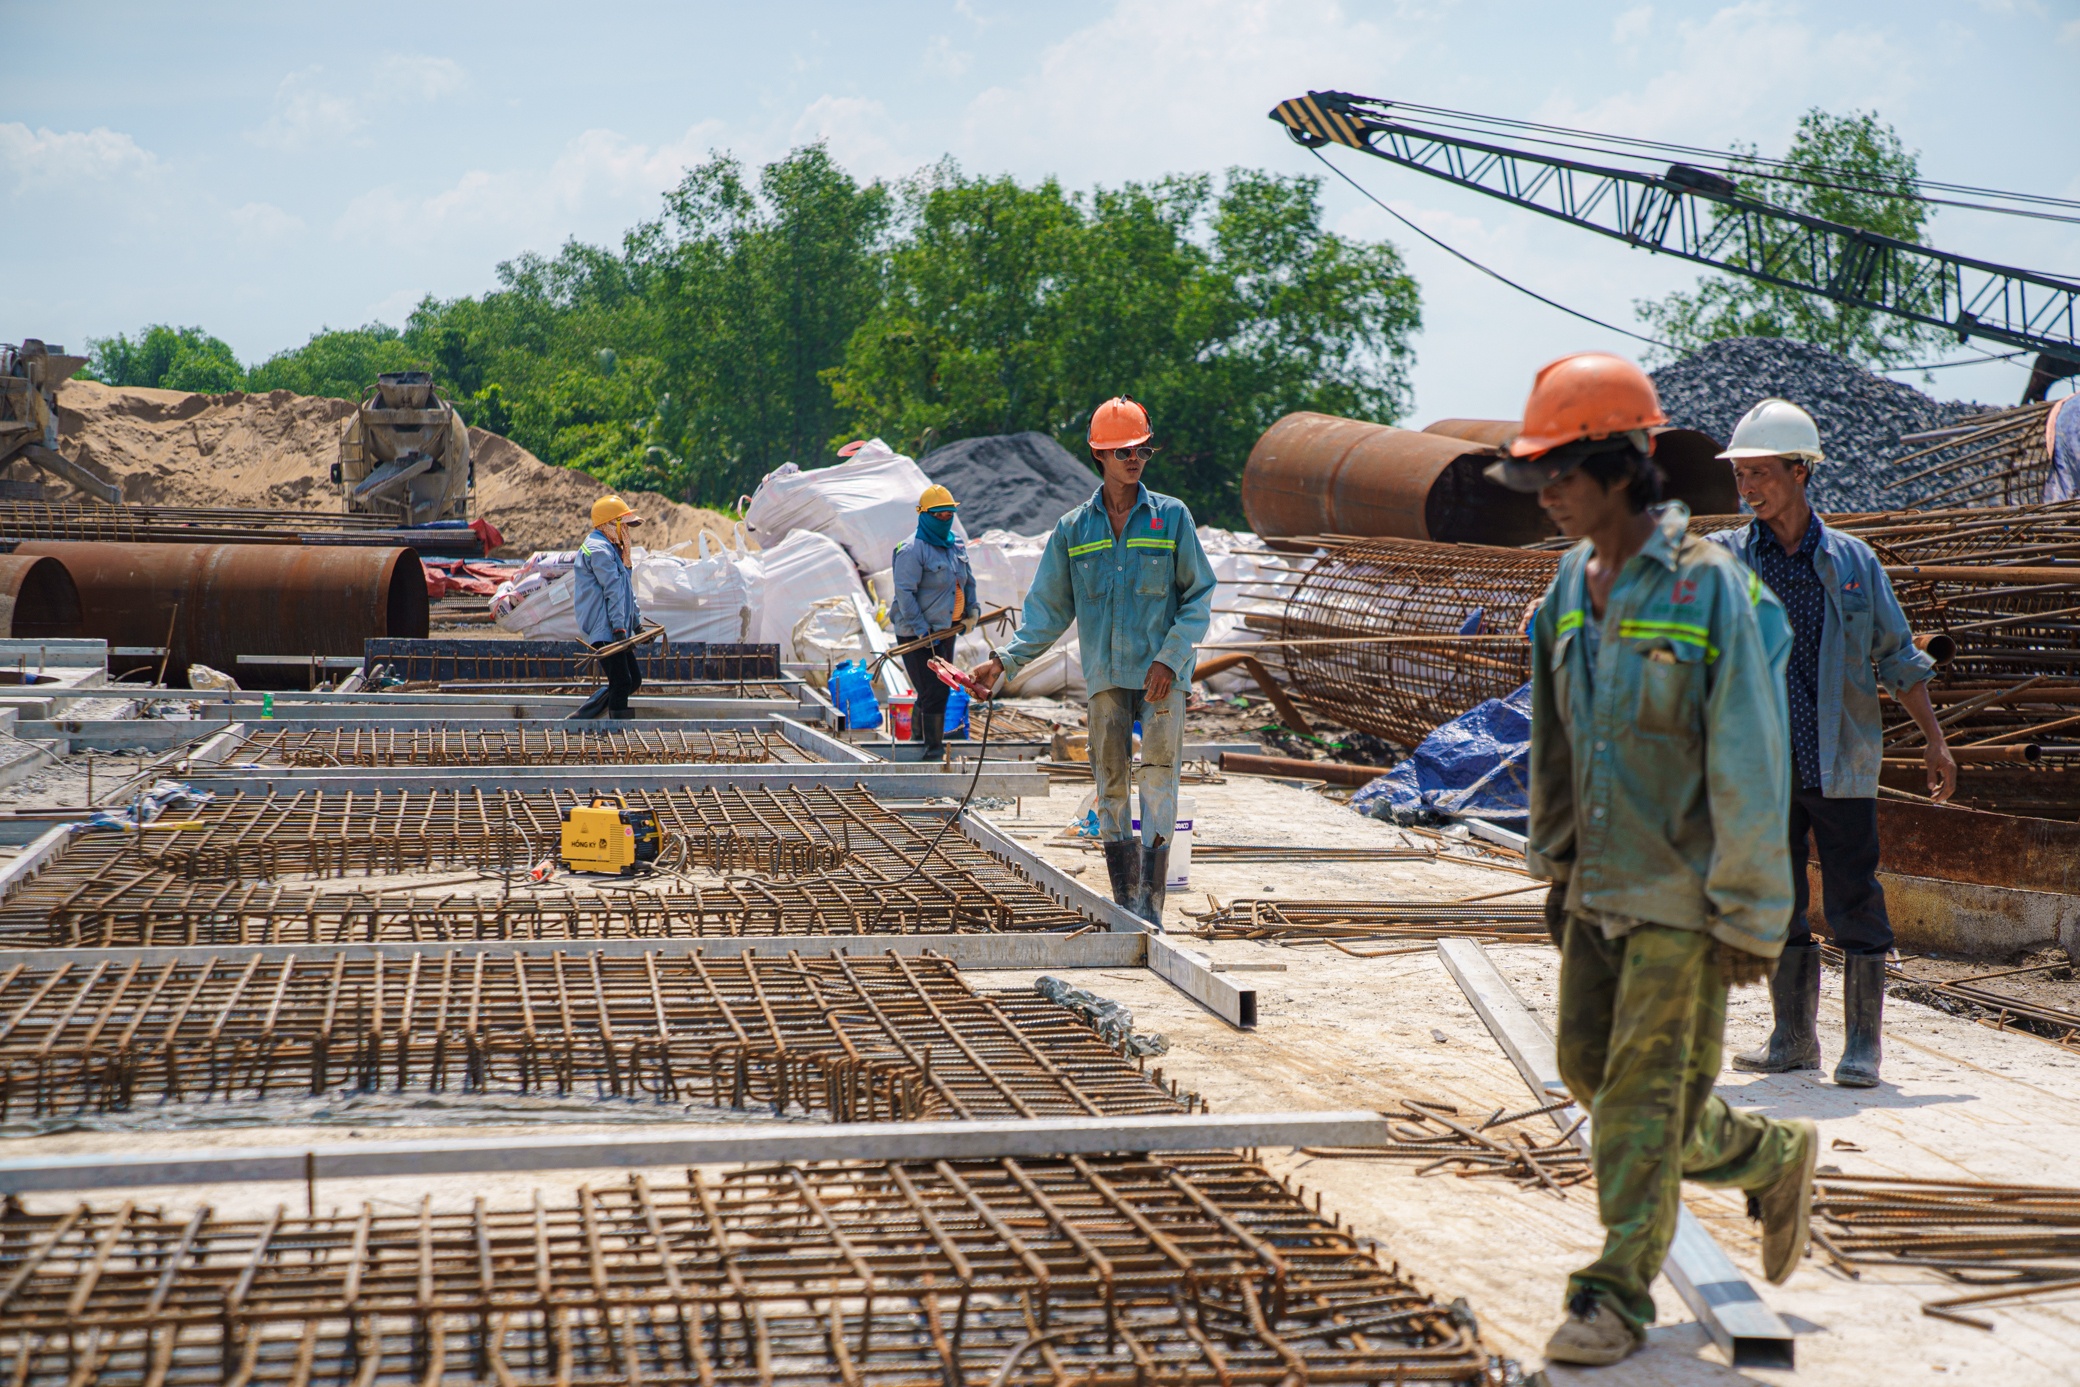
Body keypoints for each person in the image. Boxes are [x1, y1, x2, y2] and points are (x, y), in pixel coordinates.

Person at [1499, 353, 1817, 1368]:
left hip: (1683, 894)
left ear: (1621, 467)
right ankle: (1767, 1153)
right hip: (1594, 882)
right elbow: (1553, 740)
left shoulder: (1706, 587)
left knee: (1638, 1101)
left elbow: (1751, 755)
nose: (1546, 495)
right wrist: (1554, 866)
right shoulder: (1567, 583)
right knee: (1588, 1070)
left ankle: (1613, 1293)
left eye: (1561, 473)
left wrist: (1751, 913)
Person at [1708, 399, 1956, 1088]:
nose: (1747, 486)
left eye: (1760, 472)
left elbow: (1897, 656)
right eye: (1740, 474)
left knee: (1854, 899)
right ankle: (1793, 1040)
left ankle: (1863, 1048)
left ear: (1800, 471)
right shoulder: (1723, 558)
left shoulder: (1852, 562)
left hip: (1840, 761)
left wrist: (1935, 741)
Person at [968, 397, 1215, 928]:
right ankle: (1125, 903)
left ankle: (1151, 908)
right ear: (1099, 455)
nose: (1135, 459)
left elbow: (1198, 597)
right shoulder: (1073, 531)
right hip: (1105, 677)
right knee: (1111, 783)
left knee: (1158, 780)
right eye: (1123, 451)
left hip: (1162, 678)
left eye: (1142, 450)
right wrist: (1004, 662)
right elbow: (1048, 612)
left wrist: (1170, 659)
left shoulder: (1171, 518)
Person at [890, 484, 980, 759]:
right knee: (935, 689)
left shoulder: (956, 544)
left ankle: (919, 740)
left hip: (946, 629)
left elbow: (967, 580)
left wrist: (972, 610)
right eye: (938, 514)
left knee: (933, 688)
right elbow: (904, 593)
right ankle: (932, 749)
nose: (944, 519)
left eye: (948, 514)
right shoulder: (911, 550)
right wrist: (922, 630)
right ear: (924, 515)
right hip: (916, 632)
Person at [569, 495, 644, 720]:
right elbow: (613, 591)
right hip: (605, 628)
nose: (627, 532)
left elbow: (626, 591)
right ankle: (616, 729)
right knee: (622, 681)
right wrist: (620, 628)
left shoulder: (612, 549)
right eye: (624, 526)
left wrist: (636, 624)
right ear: (611, 524)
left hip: (615, 626)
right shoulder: (599, 550)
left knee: (632, 680)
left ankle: (586, 715)